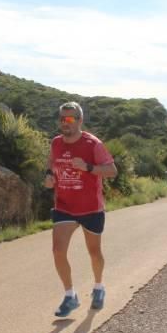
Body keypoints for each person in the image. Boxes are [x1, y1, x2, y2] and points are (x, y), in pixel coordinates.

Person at [44, 102, 117, 317]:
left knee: (94, 252)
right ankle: (70, 296)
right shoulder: (56, 143)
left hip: (90, 208)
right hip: (64, 207)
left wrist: (88, 167)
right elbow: (51, 161)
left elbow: (112, 171)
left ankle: (99, 287)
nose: (64, 123)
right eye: (61, 119)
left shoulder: (93, 144)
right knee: (58, 251)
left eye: (69, 119)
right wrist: (49, 176)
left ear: (79, 120)